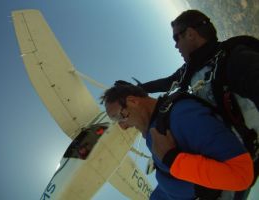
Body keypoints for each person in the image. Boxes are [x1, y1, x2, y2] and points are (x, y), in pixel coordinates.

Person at [124, 10, 259, 199]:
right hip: (209, 158)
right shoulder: (191, 69)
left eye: (176, 39)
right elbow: (167, 82)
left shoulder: (235, 59)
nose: (175, 46)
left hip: (232, 167)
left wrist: (171, 157)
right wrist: (136, 89)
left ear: (190, 34)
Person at [101, 83, 254, 200]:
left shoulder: (183, 116)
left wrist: (172, 158)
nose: (123, 126)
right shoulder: (154, 129)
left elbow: (241, 175)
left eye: (120, 117)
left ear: (133, 101)